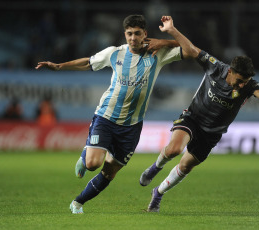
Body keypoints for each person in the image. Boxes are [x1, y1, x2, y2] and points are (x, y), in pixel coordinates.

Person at [139, 16, 259, 212]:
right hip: (193, 118)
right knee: (174, 150)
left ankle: (158, 193)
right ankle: (155, 168)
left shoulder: (248, 85)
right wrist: (172, 30)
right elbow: (192, 49)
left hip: (212, 133)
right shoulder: (215, 67)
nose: (243, 84)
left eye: (246, 81)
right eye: (241, 80)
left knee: (185, 167)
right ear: (231, 71)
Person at [35, 15, 184, 214]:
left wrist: (166, 38)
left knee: (110, 172)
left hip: (132, 125)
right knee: (93, 163)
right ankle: (85, 155)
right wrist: (59, 66)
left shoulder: (158, 53)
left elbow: (190, 49)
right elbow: (88, 63)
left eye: (137, 34)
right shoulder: (114, 53)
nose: (133, 38)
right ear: (125, 35)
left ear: (145, 34)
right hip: (106, 117)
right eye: (129, 34)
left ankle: (77, 203)